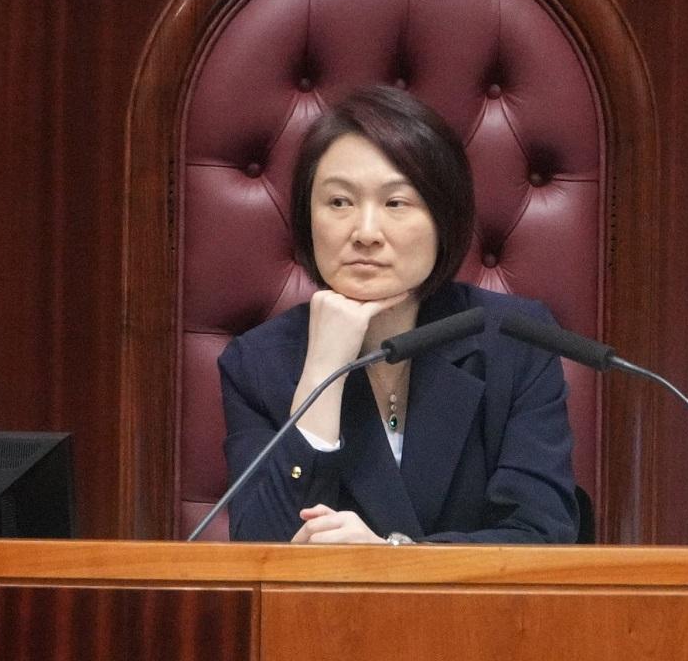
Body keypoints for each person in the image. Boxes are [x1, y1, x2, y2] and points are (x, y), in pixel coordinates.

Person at [219, 85, 579, 544]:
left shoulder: (514, 340)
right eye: (339, 202)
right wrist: (321, 374)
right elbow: (258, 552)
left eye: (395, 203)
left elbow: (543, 537)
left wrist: (392, 557)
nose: (366, 233)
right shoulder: (257, 364)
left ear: (443, 219)